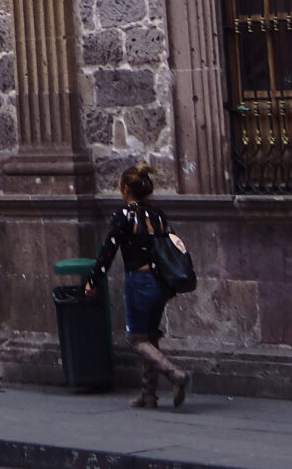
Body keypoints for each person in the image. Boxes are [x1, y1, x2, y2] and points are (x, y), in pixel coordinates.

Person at [87, 163, 189, 409]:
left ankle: (174, 373)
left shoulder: (124, 216)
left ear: (125, 189)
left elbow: (108, 251)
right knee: (150, 336)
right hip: (160, 281)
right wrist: (171, 287)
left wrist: (93, 281)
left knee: (136, 339)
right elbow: (172, 250)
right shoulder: (158, 215)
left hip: (139, 280)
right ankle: (148, 394)